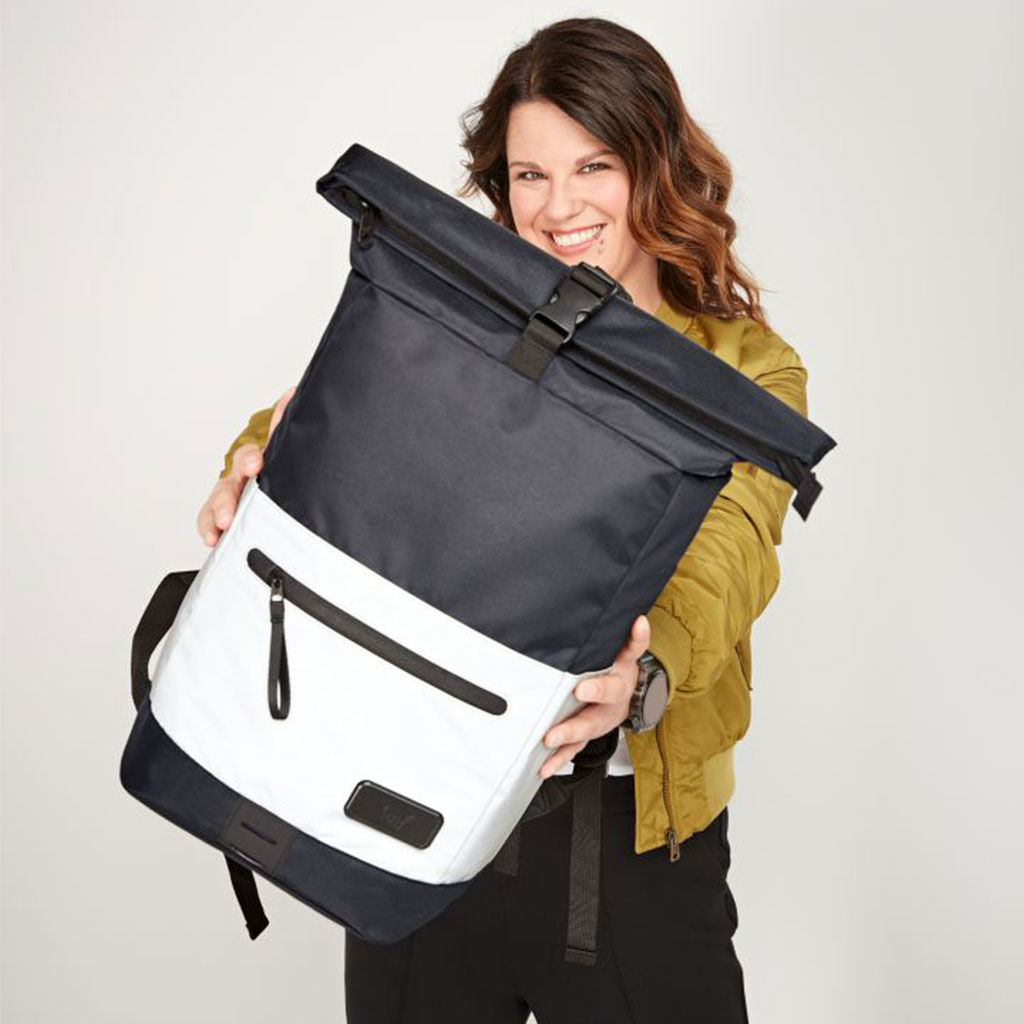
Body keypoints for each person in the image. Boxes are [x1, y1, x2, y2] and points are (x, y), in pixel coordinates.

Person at [197, 16, 810, 1024]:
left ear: (654, 165)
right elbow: (336, 408)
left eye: (593, 166)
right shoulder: (459, 314)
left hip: (626, 846)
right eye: (530, 174)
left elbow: (726, 553)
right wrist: (247, 464)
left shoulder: (747, 371)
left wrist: (642, 677)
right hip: (412, 812)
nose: (559, 208)